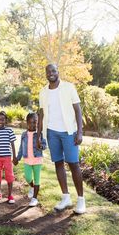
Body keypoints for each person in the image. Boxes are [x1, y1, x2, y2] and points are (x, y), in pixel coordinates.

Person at [37, 63, 86, 214]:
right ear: (46, 74)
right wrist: (39, 134)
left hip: (68, 132)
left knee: (73, 164)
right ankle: (66, 197)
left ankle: (81, 200)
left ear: (58, 72)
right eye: (48, 71)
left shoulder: (69, 87)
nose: (51, 73)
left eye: (53, 70)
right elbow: (41, 114)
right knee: (58, 163)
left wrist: (79, 132)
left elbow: (78, 110)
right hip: (52, 132)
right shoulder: (43, 92)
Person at [14, 112, 47, 207]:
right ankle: (32, 187)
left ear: (38, 123)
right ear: (27, 123)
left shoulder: (40, 134)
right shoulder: (24, 134)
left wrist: (40, 145)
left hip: (37, 160)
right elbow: (21, 148)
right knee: (28, 177)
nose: (32, 124)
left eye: (35, 122)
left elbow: (45, 146)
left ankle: (35, 198)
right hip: (27, 160)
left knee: (37, 179)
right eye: (30, 122)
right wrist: (18, 158)